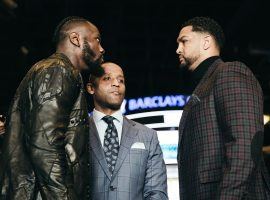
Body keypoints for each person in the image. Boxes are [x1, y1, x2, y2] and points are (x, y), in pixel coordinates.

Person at [0, 16, 105, 199]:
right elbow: (46, 147)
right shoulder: (58, 70)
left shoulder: (56, 70)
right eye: (97, 39)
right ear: (76, 39)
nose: (102, 48)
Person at [176, 16, 270, 199]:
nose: (178, 49)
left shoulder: (229, 72)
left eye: (184, 41)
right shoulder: (205, 85)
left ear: (206, 42)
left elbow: (244, 145)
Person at [86, 62, 168, 200]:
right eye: (107, 78)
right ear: (91, 88)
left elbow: (157, 193)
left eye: (121, 80)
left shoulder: (147, 136)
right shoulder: (76, 132)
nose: (116, 83)